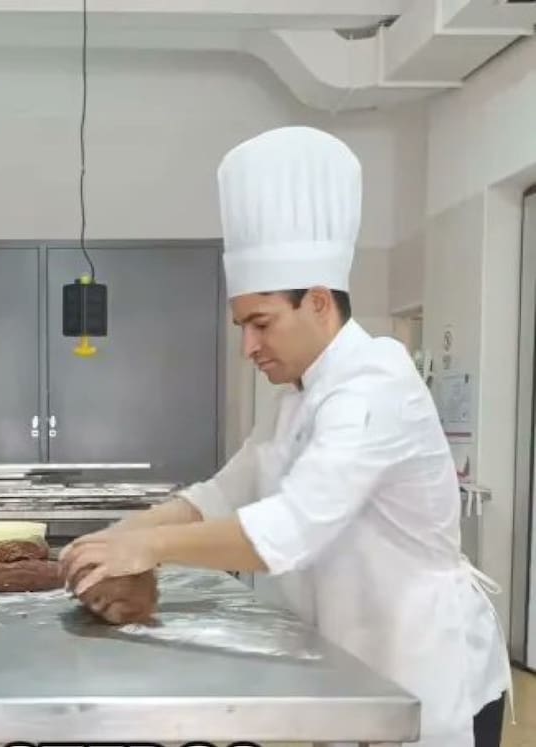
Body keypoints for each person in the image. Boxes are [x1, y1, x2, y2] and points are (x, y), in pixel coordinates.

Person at [60, 126, 511, 747]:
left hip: (419, 666)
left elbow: (291, 530)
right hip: (347, 667)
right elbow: (223, 493)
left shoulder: (376, 382)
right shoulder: (296, 397)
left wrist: (152, 549)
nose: (248, 346)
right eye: (241, 325)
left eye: (261, 323)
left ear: (320, 302)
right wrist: (119, 536)